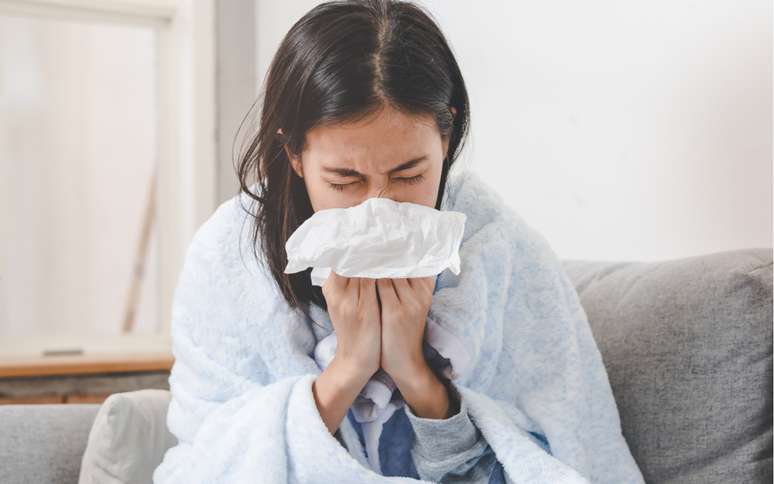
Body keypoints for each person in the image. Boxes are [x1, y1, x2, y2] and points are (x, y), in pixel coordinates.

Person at [154, 1, 642, 482]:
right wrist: (348, 369)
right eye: (345, 180)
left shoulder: (499, 249)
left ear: (445, 139)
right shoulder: (229, 257)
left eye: (409, 174)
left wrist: (414, 372)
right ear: (295, 152)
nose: (379, 209)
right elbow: (209, 463)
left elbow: (558, 454)